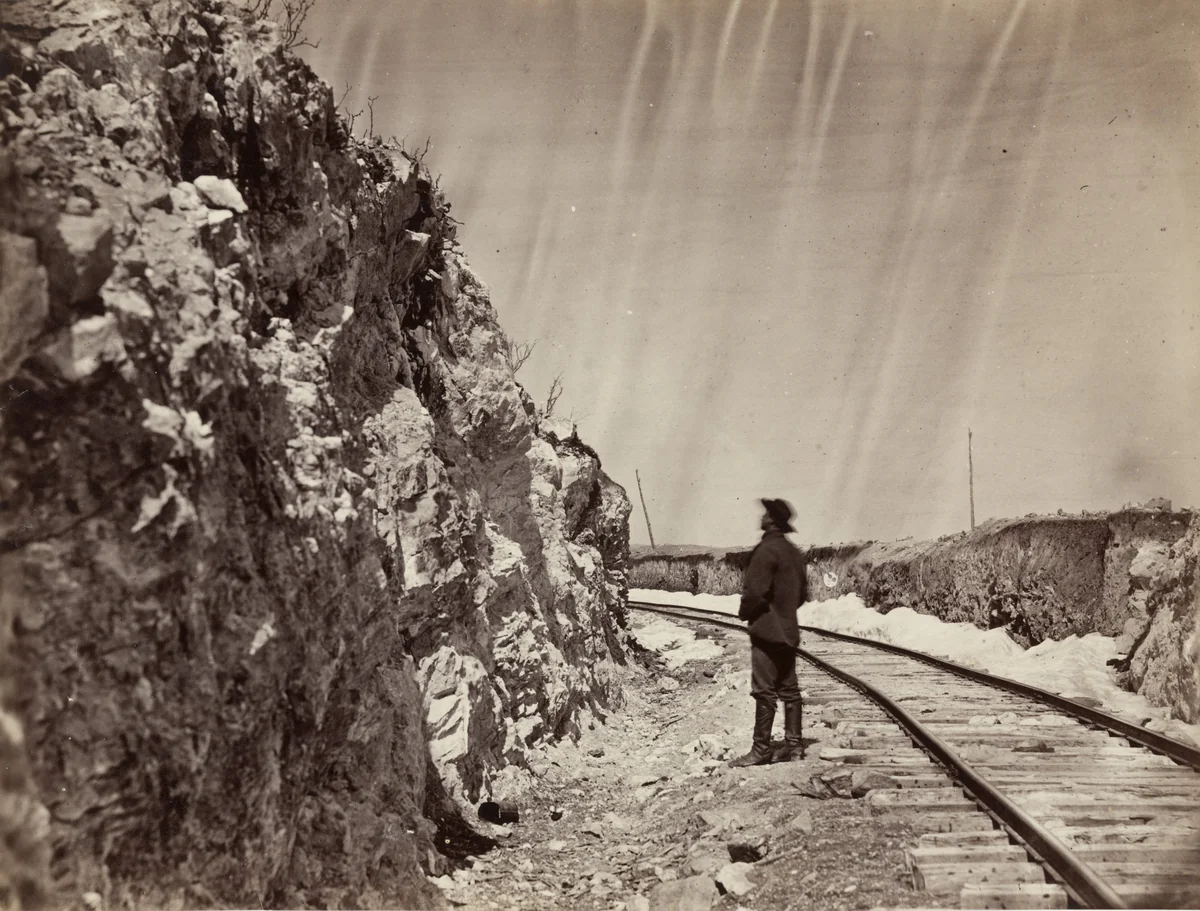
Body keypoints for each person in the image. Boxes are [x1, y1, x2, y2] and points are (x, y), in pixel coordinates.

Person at [729, 498, 807, 767]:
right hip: (788, 630)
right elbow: (801, 596)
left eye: (765, 514)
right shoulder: (794, 553)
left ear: (771, 520)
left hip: (766, 632)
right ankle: (794, 746)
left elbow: (754, 593)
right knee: (789, 689)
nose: (761, 517)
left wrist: (746, 614)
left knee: (764, 691)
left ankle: (761, 750)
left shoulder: (765, 550)